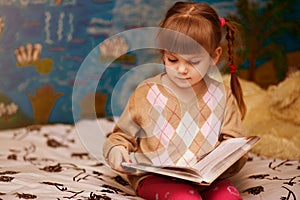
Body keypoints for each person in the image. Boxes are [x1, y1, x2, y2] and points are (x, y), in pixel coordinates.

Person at [103, 1, 247, 199]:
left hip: (207, 179)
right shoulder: (147, 93)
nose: (181, 69)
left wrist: (227, 160)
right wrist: (116, 150)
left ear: (214, 57)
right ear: (163, 54)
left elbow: (234, 143)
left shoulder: (221, 95)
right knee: (185, 198)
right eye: (173, 60)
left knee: (229, 197)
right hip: (155, 177)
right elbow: (119, 138)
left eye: (193, 61)